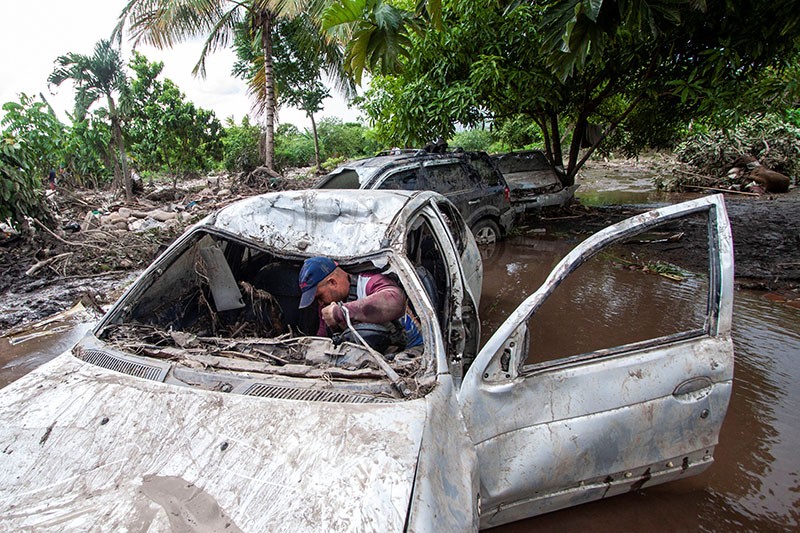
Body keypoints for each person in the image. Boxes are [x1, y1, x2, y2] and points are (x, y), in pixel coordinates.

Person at [298, 257, 423, 351]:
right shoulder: (327, 304)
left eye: (319, 296)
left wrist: (340, 312)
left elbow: (395, 301)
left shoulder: (369, 282)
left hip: (410, 353)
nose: (319, 303)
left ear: (332, 282)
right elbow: (323, 337)